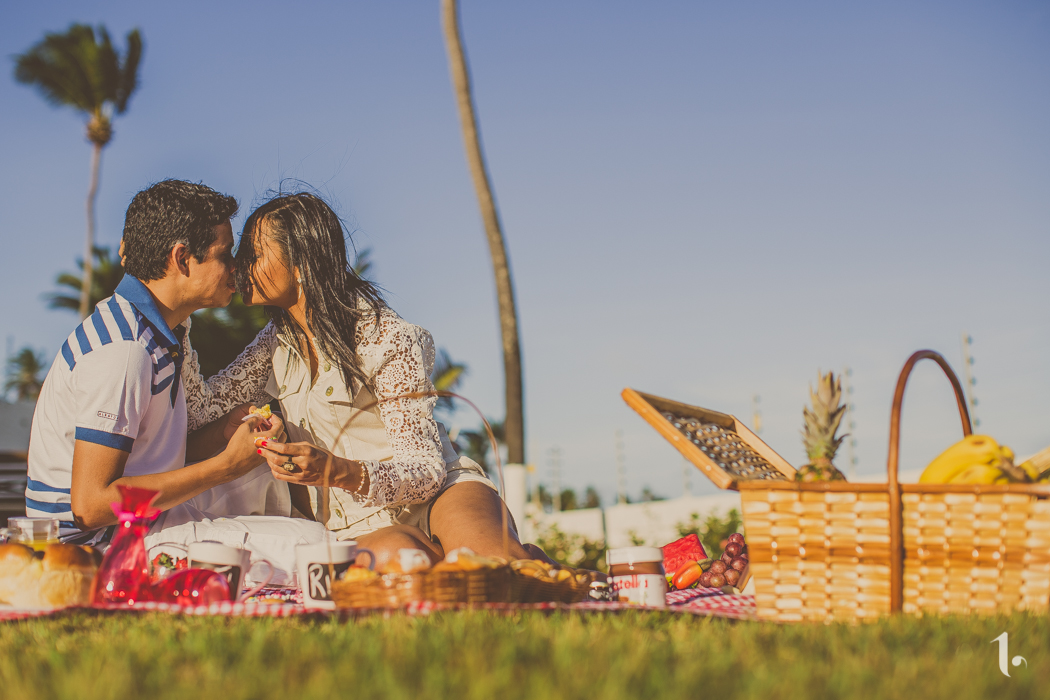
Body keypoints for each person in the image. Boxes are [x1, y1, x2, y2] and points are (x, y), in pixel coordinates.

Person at [182, 191, 546, 567]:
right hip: (356, 527)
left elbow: (425, 471)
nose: (240, 267)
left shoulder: (388, 338)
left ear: (301, 262)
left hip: (438, 496)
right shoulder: (272, 345)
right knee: (404, 558)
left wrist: (336, 470)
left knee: (498, 566)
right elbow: (200, 411)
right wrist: (182, 312)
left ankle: (540, 570)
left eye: (253, 255)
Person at [26, 180, 285, 537]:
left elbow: (147, 457)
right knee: (307, 545)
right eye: (225, 255)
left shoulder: (156, 331)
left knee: (264, 479)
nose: (236, 268)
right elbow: (91, 506)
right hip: (98, 550)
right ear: (181, 258)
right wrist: (224, 467)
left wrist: (221, 434)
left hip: (139, 526)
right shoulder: (124, 349)